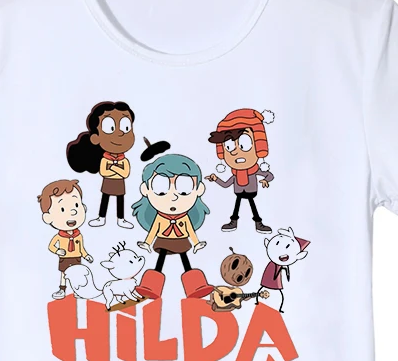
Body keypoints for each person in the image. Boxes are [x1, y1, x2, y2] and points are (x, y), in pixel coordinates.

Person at [131, 154, 215, 300]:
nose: (173, 196)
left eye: (184, 191)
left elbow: (190, 230)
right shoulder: (160, 217)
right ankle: (151, 286)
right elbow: (153, 230)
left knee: (186, 261)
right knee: (160, 262)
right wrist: (147, 243)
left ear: (199, 189)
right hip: (163, 240)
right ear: (145, 189)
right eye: (161, 191)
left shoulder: (185, 217)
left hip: (181, 240)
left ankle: (196, 286)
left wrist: (196, 243)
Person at [66, 101, 136, 229]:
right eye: (110, 128)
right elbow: (104, 171)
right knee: (105, 199)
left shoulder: (123, 159)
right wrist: (117, 169)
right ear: (95, 138)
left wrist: (112, 168)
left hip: (120, 183)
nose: (120, 133)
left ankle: (121, 219)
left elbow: (125, 173)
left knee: (120, 200)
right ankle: (101, 218)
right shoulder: (105, 158)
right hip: (108, 182)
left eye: (126, 128)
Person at [205, 108, 275, 233]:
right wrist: (215, 179)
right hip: (238, 191)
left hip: (251, 191)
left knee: (252, 206)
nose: (236, 152)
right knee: (237, 206)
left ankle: (258, 223)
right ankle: (234, 222)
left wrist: (265, 180)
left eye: (244, 144)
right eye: (229, 147)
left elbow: (269, 175)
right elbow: (226, 184)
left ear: (259, 147)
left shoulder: (253, 170)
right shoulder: (235, 174)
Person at [38, 179, 93, 299]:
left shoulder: (78, 235)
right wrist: (58, 251)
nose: (73, 212)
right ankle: (62, 290)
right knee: (64, 274)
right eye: (62, 209)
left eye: (76, 205)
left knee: (77, 274)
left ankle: (77, 290)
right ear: (48, 217)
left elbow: (81, 248)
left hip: (76, 257)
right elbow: (51, 246)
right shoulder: (59, 236)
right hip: (65, 257)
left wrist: (86, 255)